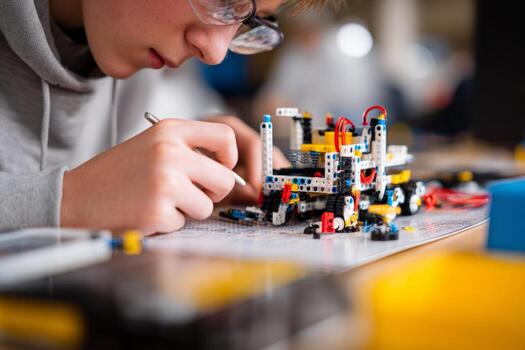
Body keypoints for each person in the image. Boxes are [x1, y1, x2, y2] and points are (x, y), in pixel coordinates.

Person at [0, 0, 336, 234]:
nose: (216, 54)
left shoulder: (139, 59)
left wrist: (190, 170)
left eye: (248, 20)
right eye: (221, 0)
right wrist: (66, 202)